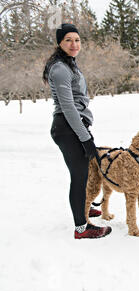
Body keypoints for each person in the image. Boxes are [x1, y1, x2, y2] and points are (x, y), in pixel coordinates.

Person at [43, 23, 111, 239]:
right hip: (67, 127)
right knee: (79, 176)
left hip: (74, 126)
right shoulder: (60, 68)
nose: (74, 44)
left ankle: (84, 206)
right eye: (68, 40)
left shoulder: (69, 64)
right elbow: (68, 107)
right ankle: (82, 228)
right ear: (60, 43)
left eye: (77, 40)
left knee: (86, 171)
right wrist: (85, 138)